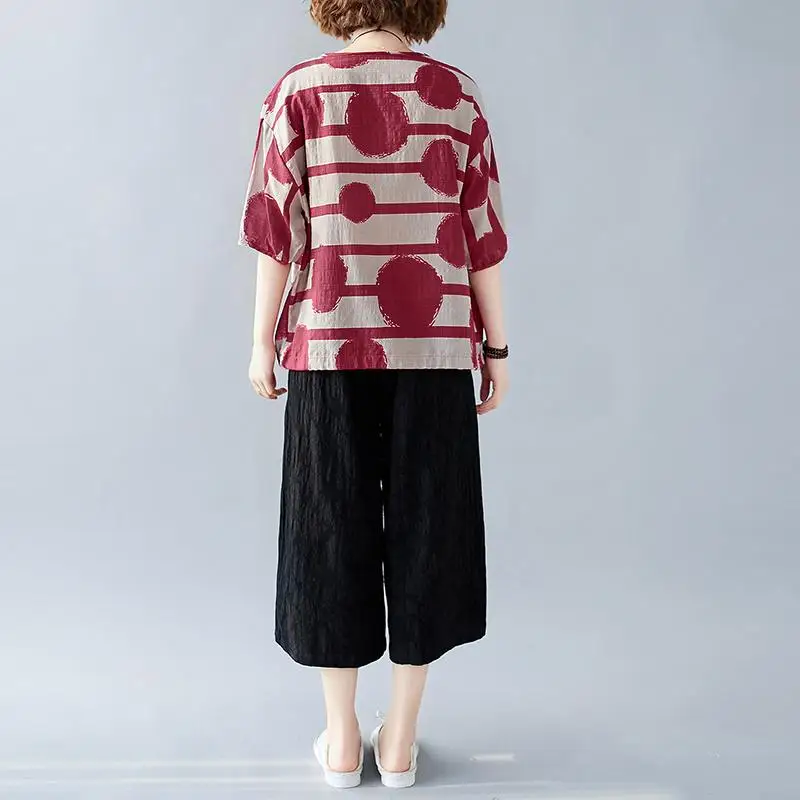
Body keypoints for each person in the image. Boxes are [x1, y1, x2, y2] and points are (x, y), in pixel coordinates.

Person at [238, 0, 509, 789]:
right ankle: (401, 741)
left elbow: (275, 229)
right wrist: (495, 347)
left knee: (330, 529)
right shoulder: (456, 95)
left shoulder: (299, 91)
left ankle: (341, 738)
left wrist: (261, 340)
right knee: (431, 530)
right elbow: (483, 235)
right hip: (435, 350)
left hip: (328, 345)